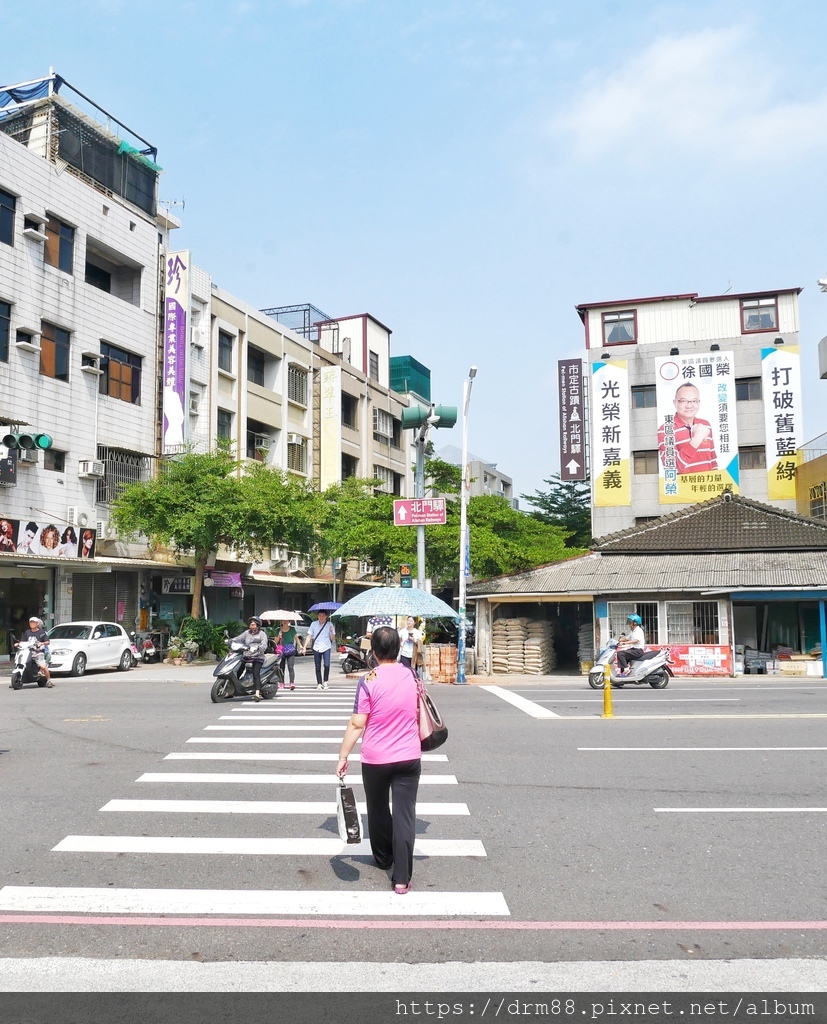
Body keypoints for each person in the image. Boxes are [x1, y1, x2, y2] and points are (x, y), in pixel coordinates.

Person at [336, 625, 421, 895]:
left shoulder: (369, 680)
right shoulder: (412, 675)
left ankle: (384, 858)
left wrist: (343, 756)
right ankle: (401, 877)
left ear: (373, 652)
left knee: (378, 809)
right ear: (397, 649)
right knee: (405, 815)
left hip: (376, 759)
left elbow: (357, 723)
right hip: (408, 756)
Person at [657, 382, 718, 474]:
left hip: (707, 486)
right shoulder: (665, 430)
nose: (689, 405)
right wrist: (697, 438)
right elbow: (672, 468)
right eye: (683, 401)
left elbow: (713, 461)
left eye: (694, 401)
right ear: (675, 403)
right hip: (683, 487)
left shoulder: (705, 425)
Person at [232, 615, 269, 700]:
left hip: (258, 657)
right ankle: (233, 689)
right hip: (247, 655)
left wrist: (258, 648)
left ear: (258, 625)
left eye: (254, 623)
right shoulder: (246, 633)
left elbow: (264, 645)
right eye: (251, 623)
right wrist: (231, 640)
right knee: (238, 670)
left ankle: (257, 693)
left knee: (256, 673)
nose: (252, 624)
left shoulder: (262, 634)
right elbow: (239, 638)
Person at [15, 615, 52, 687]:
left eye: (33, 622)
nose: (32, 624)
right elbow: (23, 641)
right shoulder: (27, 632)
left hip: (38, 652)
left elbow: (47, 642)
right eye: (30, 622)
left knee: (43, 667)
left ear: (37, 624)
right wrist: (18, 643)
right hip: (27, 652)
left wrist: (42, 643)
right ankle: (17, 679)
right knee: (19, 662)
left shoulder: (42, 632)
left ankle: (49, 681)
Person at [307, 609, 335, 689]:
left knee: (327, 665)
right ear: (318, 616)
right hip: (316, 647)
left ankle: (325, 681)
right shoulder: (313, 624)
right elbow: (309, 636)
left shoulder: (330, 625)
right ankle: (319, 683)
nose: (321, 617)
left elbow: (333, 639)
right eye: (320, 615)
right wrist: (304, 646)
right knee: (317, 666)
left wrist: (332, 631)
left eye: (323, 615)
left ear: (326, 616)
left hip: (326, 646)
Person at [276, 618, 305, 690]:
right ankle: (281, 683)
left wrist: (301, 646)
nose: (285, 621)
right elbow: (275, 641)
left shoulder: (292, 629)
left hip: (290, 650)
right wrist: (279, 636)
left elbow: (296, 638)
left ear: (289, 621)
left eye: (286, 620)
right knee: (281, 668)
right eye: (283, 620)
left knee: (290, 667)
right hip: (281, 650)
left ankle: (291, 683)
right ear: (281, 621)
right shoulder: (278, 630)